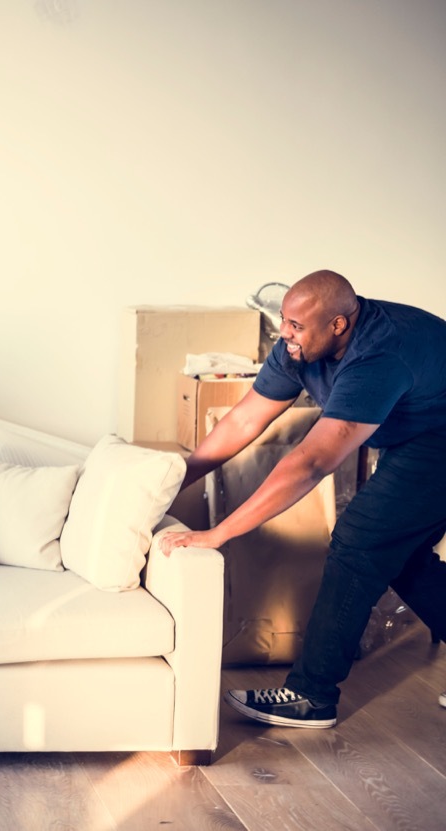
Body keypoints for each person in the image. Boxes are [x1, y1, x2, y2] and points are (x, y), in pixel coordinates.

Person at [160, 270, 446, 729]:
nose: (284, 335)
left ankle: (310, 695)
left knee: (359, 542)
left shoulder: (379, 354)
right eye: (283, 322)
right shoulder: (298, 347)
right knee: (398, 555)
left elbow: (312, 462)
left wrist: (219, 534)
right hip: (419, 433)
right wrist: (170, 482)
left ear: (338, 325)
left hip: (439, 441)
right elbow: (243, 422)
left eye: (296, 326)